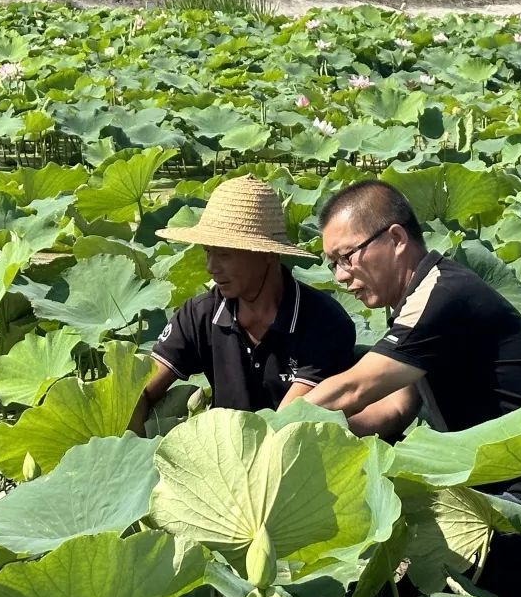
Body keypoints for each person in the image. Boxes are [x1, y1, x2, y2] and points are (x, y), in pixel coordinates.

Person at [279, 179, 521, 597]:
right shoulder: (415, 302)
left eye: (346, 257)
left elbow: (355, 387)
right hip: (490, 499)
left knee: (399, 585)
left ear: (394, 239)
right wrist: (332, 441)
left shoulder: (444, 294)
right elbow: (394, 409)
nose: (339, 276)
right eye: (331, 263)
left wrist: (274, 431)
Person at [128, 175, 358, 434]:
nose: (211, 267)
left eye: (224, 254)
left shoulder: (323, 323)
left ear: (267, 253)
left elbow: (285, 428)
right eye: (208, 252)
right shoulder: (199, 314)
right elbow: (139, 393)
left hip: (297, 458)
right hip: (218, 458)